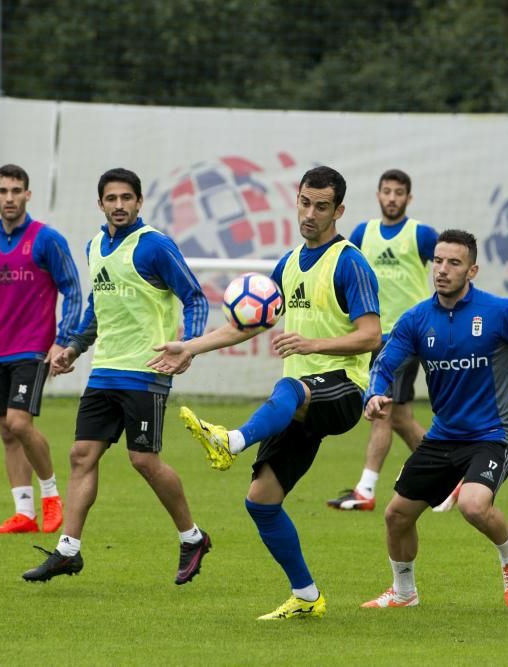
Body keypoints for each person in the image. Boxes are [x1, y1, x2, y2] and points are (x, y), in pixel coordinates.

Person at [148, 166, 382, 620]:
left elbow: (371, 335)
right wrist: (190, 347)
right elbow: (244, 325)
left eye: (321, 206)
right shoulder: (289, 264)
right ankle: (308, 597)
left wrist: (314, 345)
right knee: (261, 501)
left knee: (288, 387)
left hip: (343, 392)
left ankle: (231, 441)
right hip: (298, 404)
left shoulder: (350, 262)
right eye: (304, 202)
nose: (310, 214)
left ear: (339, 210)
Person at [359, 229, 508, 610]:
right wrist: (374, 394)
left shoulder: (499, 313)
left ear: (472, 270)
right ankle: (404, 592)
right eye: (437, 261)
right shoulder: (416, 319)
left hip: (493, 433)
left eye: (453, 263)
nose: (442, 270)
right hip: (443, 436)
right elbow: (386, 362)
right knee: (396, 515)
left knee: (473, 504)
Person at [22, 167, 213, 586]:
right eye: (112, 199)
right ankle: (68, 550)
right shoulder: (94, 246)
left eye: (127, 198)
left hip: (146, 371)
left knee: (143, 460)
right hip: (104, 370)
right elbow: (96, 307)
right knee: (80, 456)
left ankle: (192, 537)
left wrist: (191, 345)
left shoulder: (154, 246)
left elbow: (194, 297)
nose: (120, 205)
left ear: (140, 202)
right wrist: (73, 347)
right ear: (101, 204)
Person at [0, 164, 83, 535]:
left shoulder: (46, 239)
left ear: (28, 194)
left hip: (34, 349)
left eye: (16, 191)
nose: (9, 198)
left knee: (20, 422)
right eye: (3, 191)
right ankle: (23, 513)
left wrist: (64, 340)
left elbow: (73, 288)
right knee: (7, 433)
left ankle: (51, 495)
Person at [326, 169, 442, 512]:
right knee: (401, 417)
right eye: (387, 192)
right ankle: (453, 476)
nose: (392, 198)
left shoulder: (421, 234)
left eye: (399, 192)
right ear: (378, 195)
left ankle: (365, 489)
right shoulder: (363, 233)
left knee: (381, 410)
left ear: (409, 198)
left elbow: (449, 268)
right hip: (372, 334)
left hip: (407, 336)